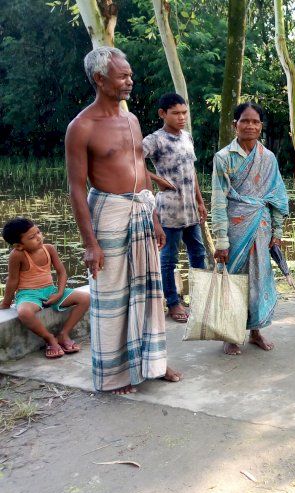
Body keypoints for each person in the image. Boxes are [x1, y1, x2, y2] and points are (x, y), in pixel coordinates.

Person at [66, 47, 181, 394]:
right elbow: (75, 187)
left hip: (142, 210)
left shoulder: (131, 120)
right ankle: (113, 374)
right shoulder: (81, 127)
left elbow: (139, 170)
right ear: (100, 79)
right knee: (112, 296)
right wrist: (90, 244)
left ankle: (153, 362)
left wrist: (156, 218)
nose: (130, 80)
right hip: (109, 213)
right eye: (123, 75)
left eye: (130, 74)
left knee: (149, 291)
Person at [212, 102, 289, 355]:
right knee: (234, 281)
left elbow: (277, 198)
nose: (250, 126)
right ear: (235, 124)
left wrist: (277, 234)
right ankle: (231, 334)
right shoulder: (223, 158)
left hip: (262, 228)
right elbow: (218, 200)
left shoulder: (268, 158)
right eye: (245, 121)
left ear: (261, 126)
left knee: (259, 279)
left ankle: (256, 331)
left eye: (255, 122)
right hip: (235, 230)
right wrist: (221, 240)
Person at [142, 92, 207, 324]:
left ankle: (201, 298)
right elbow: (131, 160)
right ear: (162, 114)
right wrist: (155, 179)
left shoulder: (187, 137)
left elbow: (192, 173)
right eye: (176, 113)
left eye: (184, 113)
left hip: (190, 209)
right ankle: (173, 302)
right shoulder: (155, 140)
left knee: (198, 255)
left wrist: (200, 201)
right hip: (168, 210)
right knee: (169, 259)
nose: (181, 117)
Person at [1, 218, 90, 359]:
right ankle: (49, 338)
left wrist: (59, 292)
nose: (38, 237)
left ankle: (63, 334)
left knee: (85, 298)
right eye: (32, 237)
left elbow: (61, 272)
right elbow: (12, 280)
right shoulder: (17, 255)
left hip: (50, 290)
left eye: (38, 232)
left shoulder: (49, 249)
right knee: (24, 313)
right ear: (19, 246)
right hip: (28, 294)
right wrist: (6, 303)